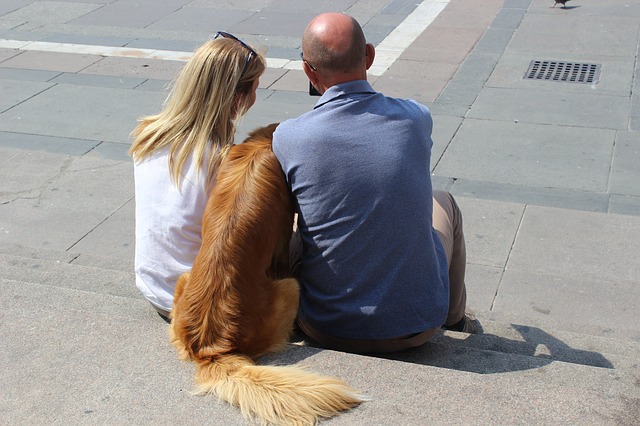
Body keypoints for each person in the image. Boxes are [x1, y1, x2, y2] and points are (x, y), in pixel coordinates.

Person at [273, 13, 482, 354]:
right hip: (419, 326)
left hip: (327, 327)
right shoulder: (416, 118)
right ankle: (455, 318)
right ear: (369, 55)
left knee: (299, 220)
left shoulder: (290, 136)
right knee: (443, 201)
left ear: (309, 71)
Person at [129, 32, 266, 319]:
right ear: (236, 99)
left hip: (153, 288)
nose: (255, 96)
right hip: (196, 304)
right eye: (254, 88)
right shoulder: (222, 161)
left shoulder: (148, 135)